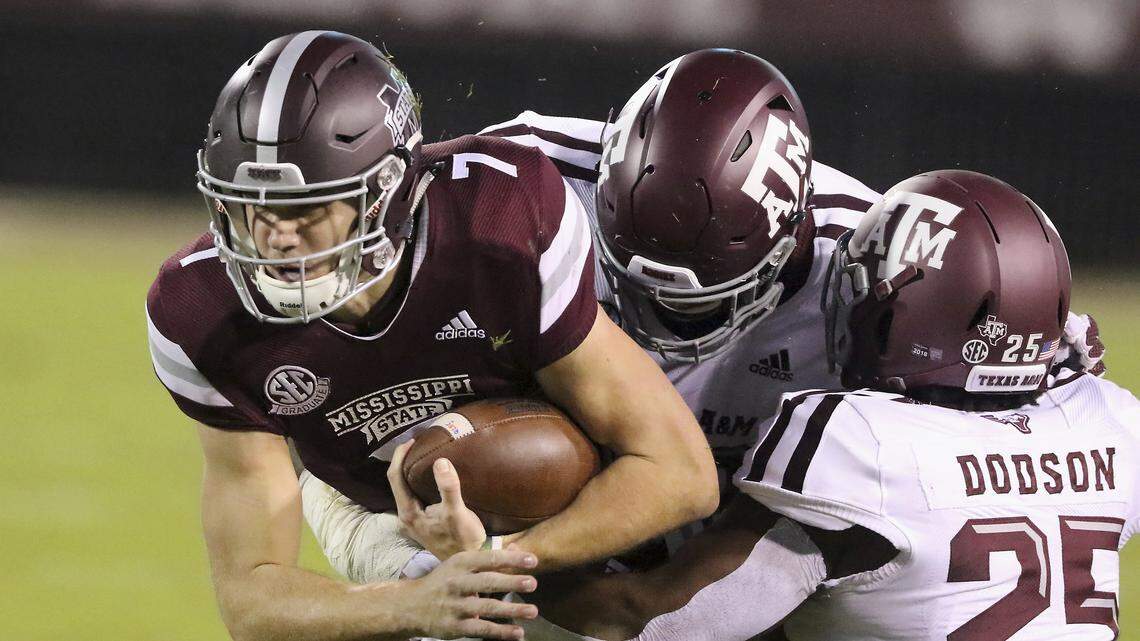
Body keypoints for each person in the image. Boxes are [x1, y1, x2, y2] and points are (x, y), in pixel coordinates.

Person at [145, 31, 718, 641]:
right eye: (250, 208)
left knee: (634, 614)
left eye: (306, 209)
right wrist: (411, 603)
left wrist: (496, 556)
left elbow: (680, 472)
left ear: (384, 192)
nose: (275, 240)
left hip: (541, 473)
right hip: (361, 498)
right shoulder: (198, 308)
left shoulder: (496, 224)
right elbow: (250, 596)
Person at [528, 170, 1138, 641]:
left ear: (901, 320)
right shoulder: (1112, 422)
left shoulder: (859, 442)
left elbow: (658, 622)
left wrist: (510, 562)